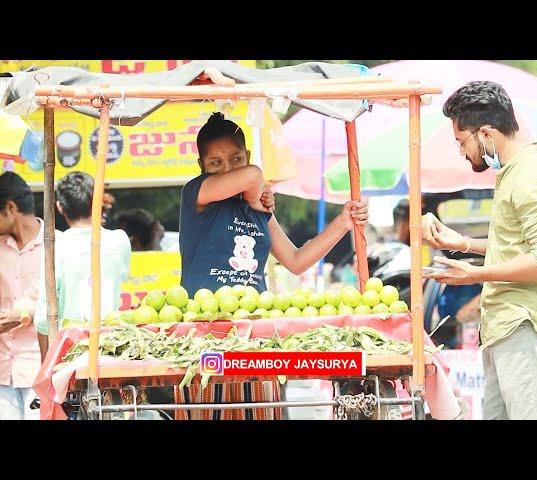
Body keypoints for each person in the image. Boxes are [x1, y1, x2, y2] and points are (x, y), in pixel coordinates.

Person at [176, 112, 368, 419]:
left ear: (247, 155)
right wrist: (256, 195)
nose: (227, 169)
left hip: (257, 338)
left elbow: (296, 261)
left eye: (235, 159)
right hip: (205, 338)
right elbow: (253, 175)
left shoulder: (261, 210)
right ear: (202, 167)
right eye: (215, 163)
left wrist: (342, 223)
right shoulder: (197, 194)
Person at [423, 81, 537, 420]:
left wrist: (476, 274)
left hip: (526, 323)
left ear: (486, 134)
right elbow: (516, 246)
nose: (462, 152)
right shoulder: (515, 172)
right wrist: (462, 244)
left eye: (462, 142)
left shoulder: (531, 177)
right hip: (506, 325)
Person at [33, 172, 131, 358]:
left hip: (70, 352)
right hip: (114, 348)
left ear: (60, 207)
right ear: (98, 201)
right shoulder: (119, 240)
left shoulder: (55, 246)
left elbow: (43, 320)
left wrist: (47, 365)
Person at [0, 172, 42, 419]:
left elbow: (68, 306)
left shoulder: (55, 245)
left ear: (10, 208)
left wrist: (25, 314)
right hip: (2, 372)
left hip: (39, 368)